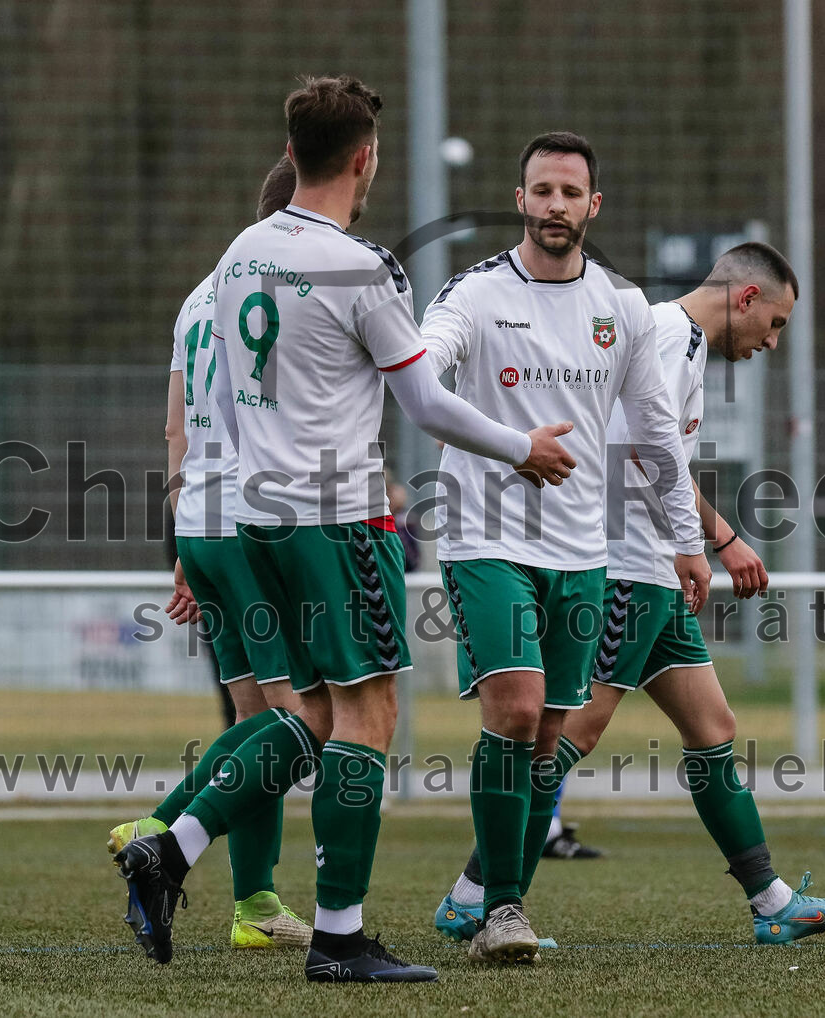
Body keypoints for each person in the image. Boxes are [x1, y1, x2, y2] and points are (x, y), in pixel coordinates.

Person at [113, 75, 575, 983]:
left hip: (256, 516)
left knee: (310, 716)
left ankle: (173, 845)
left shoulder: (240, 253)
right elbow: (428, 404)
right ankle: (339, 937)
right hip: (338, 517)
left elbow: (211, 409)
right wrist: (523, 446)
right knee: (369, 714)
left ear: (292, 155)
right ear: (365, 157)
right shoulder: (362, 266)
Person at [437, 242, 825, 947]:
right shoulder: (665, 335)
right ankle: (476, 894)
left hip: (657, 573)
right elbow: (639, 452)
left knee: (712, 729)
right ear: (747, 298)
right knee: (569, 734)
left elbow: (662, 454)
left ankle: (771, 900)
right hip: (626, 569)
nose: (774, 340)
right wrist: (716, 540)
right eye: (778, 322)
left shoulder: (685, 343)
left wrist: (694, 548)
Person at [421, 131, 711, 964]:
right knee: (512, 709)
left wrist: (687, 543)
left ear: (594, 205)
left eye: (569, 192)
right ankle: (502, 910)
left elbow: (657, 432)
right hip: (485, 536)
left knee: (547, 737)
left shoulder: (619, 305)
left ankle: (486, 899)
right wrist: (515, 445)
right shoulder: (474, 295)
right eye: (540, 190)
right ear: (520, 200)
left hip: (583, 551)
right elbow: (423, 375)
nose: (555, 206)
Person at [108, 156, 323, 953]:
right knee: (303, 722)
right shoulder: (282, 286)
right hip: (260, 520)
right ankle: (161, 831)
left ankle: (255, 904)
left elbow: (176, 427)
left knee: (251, 718)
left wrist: (182, 542)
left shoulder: (200, 294)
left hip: (200, 518)